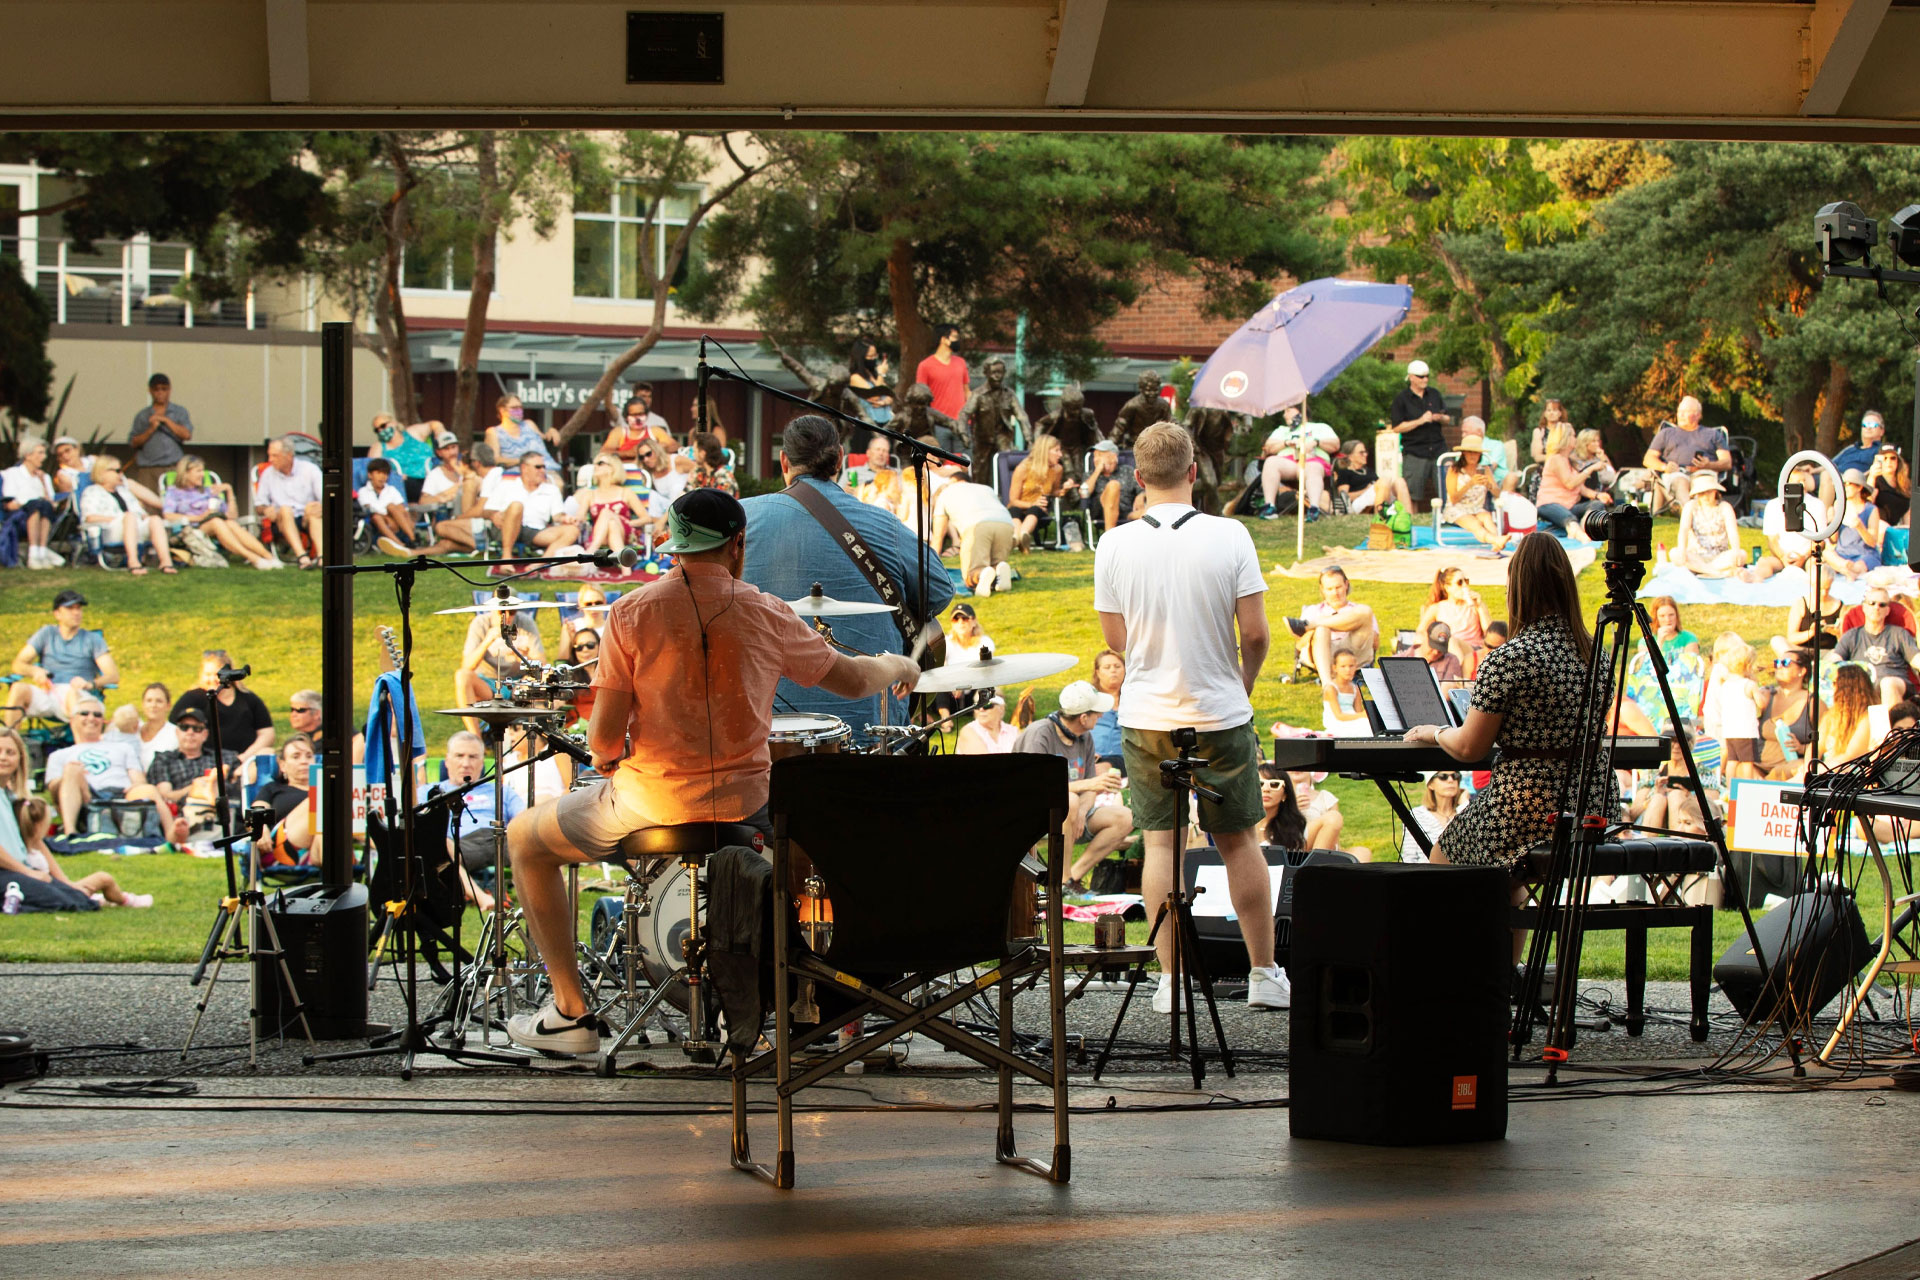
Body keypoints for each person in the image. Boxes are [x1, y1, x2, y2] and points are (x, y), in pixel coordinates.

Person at [503, 488, 921, 1053]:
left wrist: (606, 757)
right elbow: (851, 679)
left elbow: (601, 738)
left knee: (526, 839)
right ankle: (786, 1003)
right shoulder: (767, 612)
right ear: (738, 545)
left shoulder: (629, 613)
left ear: (674, 547)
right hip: (746, 805)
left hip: (647, 806)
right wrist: (901, 661)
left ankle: (571, 1015)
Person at [1093, 420, 1287, 1012]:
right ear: (1194, 472)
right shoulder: (1230, 536)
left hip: (1149, 712)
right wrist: (1242, 685)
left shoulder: (1115, 544)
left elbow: (1114, 637)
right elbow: (1254, 634)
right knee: (1239, 843)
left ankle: (1172, 982)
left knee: (1161, 848)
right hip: (1219, 709)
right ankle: (1263, 974)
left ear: (1139, 479)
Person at [1400, 532, 1615, 962]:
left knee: (1445, 851)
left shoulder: (1509, 658)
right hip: (1592, 801)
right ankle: (1506, 977)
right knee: (1509, 877)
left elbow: (1469, 748)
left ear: (1518, 588)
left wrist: (1433, 731)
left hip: (1528, 803)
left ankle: (1460, 973)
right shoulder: (1597, 654)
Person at [742, 415, 955, 742]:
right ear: (840, 458)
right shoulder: (884, 524)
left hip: (760, 729)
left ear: (784, 460)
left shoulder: (741, 519)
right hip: (872, 725)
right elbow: (939, 593)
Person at [1013, 681, 1136, 895]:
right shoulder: (1040, 734)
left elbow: (1090, 786)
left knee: (1125, 817)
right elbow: (1036, 786)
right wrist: (1079, 799)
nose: (1101, 717)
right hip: (1035, 814)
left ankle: (1070, 880)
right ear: (1083, 717)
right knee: (1070, 799)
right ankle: (1061, 879)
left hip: (1073, 811)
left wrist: (1080, 810)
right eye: (1097, 713)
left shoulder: (1084, 737)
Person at [430, 729, 522, 912]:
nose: (466, 763)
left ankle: (540, 904)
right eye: (459, 756)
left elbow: (522, 817)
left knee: (536, 839)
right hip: (460, 846)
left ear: (482, 762)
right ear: (447, 761)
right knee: (440, 845)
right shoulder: (430, 792)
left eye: (473, 757)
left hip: (501, 838)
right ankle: (483, 898)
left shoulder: (501, 790)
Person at [45, 696, 162, 839]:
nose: (91, 718)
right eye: (84, 713)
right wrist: (73, 776)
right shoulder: (59, 755)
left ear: (103, 721)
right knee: (72, 769)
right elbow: (53, 789)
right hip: (86, 796)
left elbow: (138, 779)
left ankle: (170, 836)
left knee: (149, 789)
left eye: (97, 714)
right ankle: (70, 833)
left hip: (122, 794)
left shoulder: (123, 747)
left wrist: (138, 785)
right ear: (73, 720)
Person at [5, 797, 152, 908]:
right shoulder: (32, 854)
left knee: (98, 882)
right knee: (104, 878)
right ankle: (126, 900)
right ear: (38, 826)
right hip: (56, 890)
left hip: (58, 887)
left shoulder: (26, 847)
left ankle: (105, 898)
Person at [6, 589, 118, 731]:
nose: (76, 613)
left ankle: (82, 748)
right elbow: (18, 664)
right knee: (18, 689)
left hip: (78, 695)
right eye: (70, 608)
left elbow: (113, 675)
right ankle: (8, 742)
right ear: (57, 614)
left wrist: (90, 684)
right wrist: (34, 671)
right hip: (48, 693)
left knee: (72, 695)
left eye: (78, 609)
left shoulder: (92, 639)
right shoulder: (46, 634)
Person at [163, 453, 279, 569]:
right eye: (198, 471)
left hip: (214, 526)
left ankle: (269, 557)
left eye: (203, 471)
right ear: (186, 473)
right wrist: (199, 517)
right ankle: (254, 558)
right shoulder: (174, 492)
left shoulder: (208, 491)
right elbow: (168, 515)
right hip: (189, 531)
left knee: (230, 523)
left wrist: (229, 491)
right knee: (217, 522)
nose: (202, 475)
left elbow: (232, 516)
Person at [147, 705, 242, 842]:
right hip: (182, 814)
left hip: (219, 813)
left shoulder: (223, 758)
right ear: (177, 732)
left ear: (205, 734)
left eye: (197, 729)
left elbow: (240, 782)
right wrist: (197, 786)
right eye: (185, 727)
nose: (190, 732)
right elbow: (166, 796)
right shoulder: (164, 759)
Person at [930, 461, 1019, 598]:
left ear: (953, 481)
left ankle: (981, 574)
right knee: (996, 564)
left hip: (977, 526)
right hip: (1006, 524)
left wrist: (930, 566)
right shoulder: (986, 488)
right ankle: (999, 572)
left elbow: (938, 536)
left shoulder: (946, 492)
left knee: (972, 573)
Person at [171, 650, 275, 760]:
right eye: (207, 674)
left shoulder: (248, 698)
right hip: (206, 763)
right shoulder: (192, 698)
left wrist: (244, 758)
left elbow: (267, 732)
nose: (211, 679)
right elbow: (173, 728)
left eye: (216, 675)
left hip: (244, 761)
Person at [80, 455, 176, 574]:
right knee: (129, 517)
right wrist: (121, 519)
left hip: (134, 527)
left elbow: (140, 513)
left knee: (155, 519)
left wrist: (144, 517)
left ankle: (166, 563)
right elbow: (90, 517)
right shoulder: (92, 492)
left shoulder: (124, 491)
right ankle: (134, 562)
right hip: (109, 530)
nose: (121, 474)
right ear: (102, 473)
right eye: (117, 471)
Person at [1284, 566, 1379, 683]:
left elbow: (1374, 642)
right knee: (1322, 630)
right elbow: (1299, 646)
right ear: (1322, 590)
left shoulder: (1357, 611)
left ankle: (1313, 624)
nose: (1335, 593)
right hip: (1322, 652)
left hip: (1352, 652)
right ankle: (1327, 684)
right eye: (1329, 589)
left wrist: (1350, 624)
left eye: (1338, 587)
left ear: (1346, 584)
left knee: (1366, 611)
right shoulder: (1313, 611)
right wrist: (1317, 631)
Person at [1833, 588, 1918, 706]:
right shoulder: (1852, 635)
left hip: (1895, 682)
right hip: (1862, 685)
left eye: (1882, 605)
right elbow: (1835, 659)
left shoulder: (1899, 633)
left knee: (1887, 684)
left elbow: (1916, 659)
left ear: (1887, 610)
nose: (1876, 607)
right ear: (1864, 607)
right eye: (1872, 603)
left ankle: (1892, 723)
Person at [486, 455, 582, 556]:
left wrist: (567, 519)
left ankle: (540, 563)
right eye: (538, 467)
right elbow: (486, 511)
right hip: (506, 527)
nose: (542, 470)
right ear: (524, 468)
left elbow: (558, 516)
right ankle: (506, 557)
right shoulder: (506, 485)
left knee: (573, 530)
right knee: (516, 506)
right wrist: (493, 515)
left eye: (544, 467)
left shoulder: (551, 490)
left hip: (535, 531)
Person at [254, 435, 325, 569]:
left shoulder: (310, 470)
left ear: (288, 455)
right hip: (282, 520)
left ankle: (322, 557)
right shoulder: (268, 474)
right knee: (285, 509)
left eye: (275, 456)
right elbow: (259, 505)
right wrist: (265, 510)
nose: (270, 460)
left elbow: (324, 497)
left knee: (313, 510)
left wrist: (319, 507)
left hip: (306, 517)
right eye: (269, 455)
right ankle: (302, 557)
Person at [1388, 359, 1451, 506]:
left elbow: (1448, 419)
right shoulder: (1401, 399)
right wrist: (1420, 421)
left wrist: (1440, 417)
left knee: (1446, 491)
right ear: (1411, 377)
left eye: (1427, 376)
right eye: (1421, 376)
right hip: (1415, 452)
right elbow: (1397, 427)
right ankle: (1411, 523)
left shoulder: (1434, 394)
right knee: (1412, 495)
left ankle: (1447, 519)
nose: (1425, 379)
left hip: (1438, 449)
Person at [1704, 640, 1767, 779]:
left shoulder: (1726, 683)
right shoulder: (1749, 685)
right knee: (1747, 762)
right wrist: (1761, 693)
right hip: (1746, 731)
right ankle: (1747, 786)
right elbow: (1761, 704)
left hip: (1730, 730)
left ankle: (1730, 787)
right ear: (1749, 666)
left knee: (1732, 761)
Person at [573, 452, 652, 561]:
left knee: (607, 514)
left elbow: (646, 518)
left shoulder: (625, 492)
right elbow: (580, 516)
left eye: (600, 463)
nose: (595, 466)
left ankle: (590, 553)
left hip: (624, 533)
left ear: (612, 468)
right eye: (595, 463)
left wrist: (629, 523)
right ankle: (626, 569)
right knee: (611, 523)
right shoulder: (589, 494)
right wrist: (574, 519)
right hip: (600, 535)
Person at [1440, 433, 1509, 554]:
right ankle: (1497, 540)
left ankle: (1496, 543)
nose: (1473, 455)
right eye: (1469, 452)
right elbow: (1454, 499)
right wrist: (1470, 484)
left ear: (1480, 454)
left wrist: (1489, 485)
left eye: (1476, 452)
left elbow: (1498, 494)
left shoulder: (1484, 469)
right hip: (1456, 508)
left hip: (1476, 508)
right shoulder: (1454, 470)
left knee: (1487, 518)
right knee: (1476, 523)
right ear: (1464, 453)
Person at [128, 371, 194, 497]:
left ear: (169, 390)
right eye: (156, 389)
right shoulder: (143, 415)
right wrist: (151, 429)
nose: (160, 393)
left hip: (173, 466)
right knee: (149, 505)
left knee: (176, 503)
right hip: (148, 468)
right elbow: (133, 442)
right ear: (150, 391)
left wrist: (166, 420)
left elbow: (187, 435)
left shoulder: (179, 412)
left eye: (164, 389)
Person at [1534, 424, 1604, 541]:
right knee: (1568, 517)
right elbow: (1569, 483)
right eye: (1573, 435)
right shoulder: (1555, 459)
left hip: (1569, 505)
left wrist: (1598, 495)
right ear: (1564, 438)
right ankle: (1580, 535)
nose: (1575, 439)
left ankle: (1585, 527)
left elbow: (1580, 488)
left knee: (1597, 504)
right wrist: (1591, 468)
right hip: (1550, 504)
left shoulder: (1569, 460)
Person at [3, 435, 63, 568]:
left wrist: (43, 483)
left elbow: (50, 501)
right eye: (40, 453)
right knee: (35, 506)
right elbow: (9, 503)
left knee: (44, 506)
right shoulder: (12, 474)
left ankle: (41, 552)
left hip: (42, 510)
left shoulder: (44, 477)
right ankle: (33, 553)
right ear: (28, 455)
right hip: (19, 514)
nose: (44, 457)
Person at [1670, 472, 1742, 577]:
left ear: (1715, 492)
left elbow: (1733, 532)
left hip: (1720, 556)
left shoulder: (1725, 507)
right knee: (1675, 553)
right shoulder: (1690, 507)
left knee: (1741, 554)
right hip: (1696, 555)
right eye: (1701, 493)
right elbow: (1683, 530)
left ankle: (1703, 570)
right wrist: (1682, 550)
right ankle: (1713, 572)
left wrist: (1736, 550)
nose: (1705, 496)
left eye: (1708, 492)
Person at [1419, 567, 1491, 669]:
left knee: (1452, 641)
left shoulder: (1475, 605)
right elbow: (1420, 632)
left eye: (1466, 581)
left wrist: (1479, 607)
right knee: (1450, 641)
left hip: (1473, 649)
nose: (1465, 586)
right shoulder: (1437, 608)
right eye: (1460, 582)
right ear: (1447, 587)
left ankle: (1459, 675)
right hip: (1445, 649)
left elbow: (1489, 633)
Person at [1762, 647, 1817, 777]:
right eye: (1777, 663)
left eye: (1785, 663)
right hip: (1759, 766)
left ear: (1802, 671)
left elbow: (1827, 738)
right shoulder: (1766, 696)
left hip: (1792, 769)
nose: (1779, 667)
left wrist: (1802, 748)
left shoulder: (1813, 702)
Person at [1007, 433, 1066, 550]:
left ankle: (1020, 536)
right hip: (1019, 507)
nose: (1061, 454)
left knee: (1035, 509)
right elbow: (1013, 500)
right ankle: (1021, 539)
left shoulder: (1057, 469)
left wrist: (1064, 490)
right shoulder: (1023, 469)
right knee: (1014, 510)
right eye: (1057, 450)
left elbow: (1054, 492)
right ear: (1045, 451)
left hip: (1039, 511)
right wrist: (1032, 503)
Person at [1332, 438, 1411, 516]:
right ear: (1350, 456)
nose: (1365, 455)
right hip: (1358, 503)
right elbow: (1344, 497)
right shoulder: (1345, 472)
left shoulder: (1369, 471)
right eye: (1361, 452)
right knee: (1384, 481)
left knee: (1400, 482)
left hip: (1376, 496)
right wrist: (1365, 490)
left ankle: (1408, 517)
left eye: (1365, 452)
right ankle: (1380, 517)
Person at [366, 414, 437, 501]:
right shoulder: (379, 447)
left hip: (431, 476)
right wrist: (395, 476)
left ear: (394, 423)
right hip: (406, 482)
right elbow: (373, 469)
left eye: (383, 426)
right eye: (377, 430)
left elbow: (434, 424)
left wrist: (441, 433)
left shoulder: (412, 433)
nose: (381, 430)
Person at [1078, 440, 1141, 533]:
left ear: (1114, 457)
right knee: (1113, 485)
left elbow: (1141, 488)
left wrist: (1141, 496)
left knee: (1148, 512)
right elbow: (1084, 493)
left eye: (1100, 455)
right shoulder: (1090, 475)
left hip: (1127, 512)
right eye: (1095, 456)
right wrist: (1098, 470)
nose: (1096, 459)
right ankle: (1109, 537)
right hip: (1101, 512)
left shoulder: (1127, 471)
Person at [1400, 769, 1463, 863]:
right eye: (1443, 777)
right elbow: (1409, 857)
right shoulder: (1417, 815)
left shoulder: (1464, 812)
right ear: (1430, 784)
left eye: (1455, 776)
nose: (1451, 780)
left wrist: (1464, 806)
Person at [1820, 664, 1876, 767]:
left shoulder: (1868, 717)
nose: (1832, 686)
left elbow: (1851, 756)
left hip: (1849, 773)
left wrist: (1819, 770)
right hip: (1828, 770)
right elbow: (1815, 747)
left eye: (1834, 682)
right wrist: (1808, 766)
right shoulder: (1830, 715)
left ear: (1846, 687)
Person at [360, 457, 418, 556]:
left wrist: (389, 511)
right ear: (370, 475)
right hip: (377, 525)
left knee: (392, 507)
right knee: (377, 516)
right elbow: (370, 509)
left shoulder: (391, 490)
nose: (382, 477)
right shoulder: (363, 492)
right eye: (378, 473)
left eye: (385, 474)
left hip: (397, 523)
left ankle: (412, 539)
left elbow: (402, 509)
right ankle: (400, 545)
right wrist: (387, 513)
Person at [484, 394, 559, 468]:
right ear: (502, 410)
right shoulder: (494, 432)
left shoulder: (529, 424)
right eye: (514, 408)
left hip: (549, 468)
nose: (519, 411)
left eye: (520, 407)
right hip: (519, 473)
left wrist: (552, 431)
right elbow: (495, 459)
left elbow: (546, 438)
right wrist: (523, 461)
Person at [914, 323, 970, 420]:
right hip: (938, 423)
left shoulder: (961, 363)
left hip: (961, 422)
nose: (958, 340)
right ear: (944, 339)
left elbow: (967, 391)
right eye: (955, 337)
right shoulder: (925, 366)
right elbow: (921, 396)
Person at [1834, 469, 1885, 573]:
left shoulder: (1870, 509)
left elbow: (1872, 542)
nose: (1845, 487)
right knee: (1827, 554)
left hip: (1864, 554)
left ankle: (1849, 570)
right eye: (1843, 484)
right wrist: (1831, 523)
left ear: (1859, 487)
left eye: (1849, 484)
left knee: (1863, 563)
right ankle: (1846, 568)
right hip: (1842, 554)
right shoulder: (1838, 505)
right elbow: (1833, 539)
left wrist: (1860, 527)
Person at [1289, 769, 1344, 851]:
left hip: (1324, 846)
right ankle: (1316, 860)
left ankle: (1319, 857)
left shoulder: (1326, 798)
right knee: (1333, 817)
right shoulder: (1279, 796)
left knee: (1362, 852)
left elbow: (1335, 837)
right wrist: (1292, 809)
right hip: (1292, 845)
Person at [1089, 647, 1125, 771]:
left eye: (1117, 666)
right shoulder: (1088, 698)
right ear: (1098, 672)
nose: (1113, 670)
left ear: (1125, 670)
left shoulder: (1135, 698)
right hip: (1094, 756)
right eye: (1107, 667)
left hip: (1125, 758)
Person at [847, 337, 896, 427]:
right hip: (869, 424)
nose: (874, 358)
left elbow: (889, 394)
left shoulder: (873, 374)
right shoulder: (855, 377)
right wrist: (881, 374)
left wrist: (884, 402)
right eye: (870, 356)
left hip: (887, 421)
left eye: (875, 355)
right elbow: (874, 396)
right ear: (861, 358)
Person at [1257, 764, 1308, 849]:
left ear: (1285, 794)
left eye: (1274, 784)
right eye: (1259, 783)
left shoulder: (1295, 829)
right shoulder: (1238, 826)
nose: (1266, 789)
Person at [1321, 650, 1369, 737]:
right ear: (1335, 668)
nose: (1348, 670)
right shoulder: (1331, 688)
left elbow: (1358, 711)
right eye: (1343, 666)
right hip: (1337, 723)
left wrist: (1363, 715)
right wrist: (1361, 715)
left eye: (1351, 666)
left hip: (1353, 720)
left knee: (1369, 725)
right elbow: (1339, 716)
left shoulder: (1355, 688)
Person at [132, 681, 178, 770]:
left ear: (168, 706)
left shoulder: (175, 733)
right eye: (149, 701)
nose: (153, 705)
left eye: (159, 701)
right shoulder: (133, 729)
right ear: (143, 704)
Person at [1831, 411, 1886, 484]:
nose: (1868, 428)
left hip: (1850, 484)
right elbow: (1830, 463)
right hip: (1830, 476)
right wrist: (1813, 470)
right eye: (1865, 425)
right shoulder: (1851, 448)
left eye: (1873, 425)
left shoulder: (1882, 451)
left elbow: (1876, 470)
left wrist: (1854, 480)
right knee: (1813, 476)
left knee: (1827, 475)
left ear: (1882, 431)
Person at [687, 430, 737, 498]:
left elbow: (721, 506)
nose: (693, 455)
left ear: (702, 454)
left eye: (694, 451)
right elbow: (685, 495)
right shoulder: (700, 473)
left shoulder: (724, 479)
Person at [1870, 446, 1910, 530]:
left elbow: (1907, 512)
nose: (1889, 462)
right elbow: (1866, 502)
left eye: (1893, 458)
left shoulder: (1905, 485)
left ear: (1898, 461)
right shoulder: (1875, 480)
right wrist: (1872, 477)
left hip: (1896, 530)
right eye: (1884, 458)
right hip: (1876, 527)